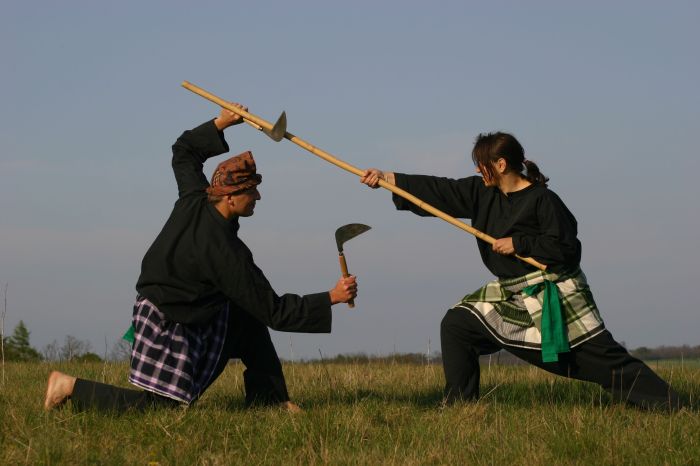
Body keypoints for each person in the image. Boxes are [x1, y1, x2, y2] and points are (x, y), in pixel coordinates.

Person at [44, 104, 357, 413]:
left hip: (179, 307)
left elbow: (184, 151)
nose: (258, 197)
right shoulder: (225, 254)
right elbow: (275, 311)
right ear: (231, 196)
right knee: (159, 408)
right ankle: (69, 387)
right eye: (252, 191)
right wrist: (331, 297)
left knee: (247, 319)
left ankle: (270, 400)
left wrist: (222, 122)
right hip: (170, 322)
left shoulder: (195, 196)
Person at [360, 131, 681, 410]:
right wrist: (388, 179)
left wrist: (520, 243)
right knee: (458, 324)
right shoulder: (482, 193)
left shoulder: (544, 201)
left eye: (481, 163)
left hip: (557, 290)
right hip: (513, 291)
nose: (476, 169)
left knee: (600, 361)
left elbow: (568, 251)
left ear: (500, 165)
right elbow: (439, 190)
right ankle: (459, 405)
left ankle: (675, 406)